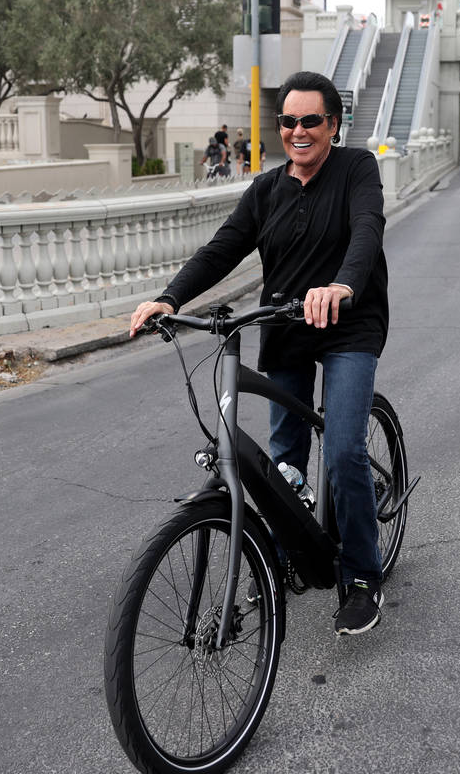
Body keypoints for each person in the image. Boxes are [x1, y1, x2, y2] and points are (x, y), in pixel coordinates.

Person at [129, 71, 390, 636]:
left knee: (343, 450)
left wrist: (341, 286)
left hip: (349, 326)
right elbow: (223, 247)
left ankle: (363, 576)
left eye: (311, 121)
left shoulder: (356, 169)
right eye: (289, 122)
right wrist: (169, 297)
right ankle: (285, 556)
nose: (299, 131)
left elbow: (368, 230)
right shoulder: (267, 189)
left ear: (334, 125)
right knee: (282, 462)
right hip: (285, 328)